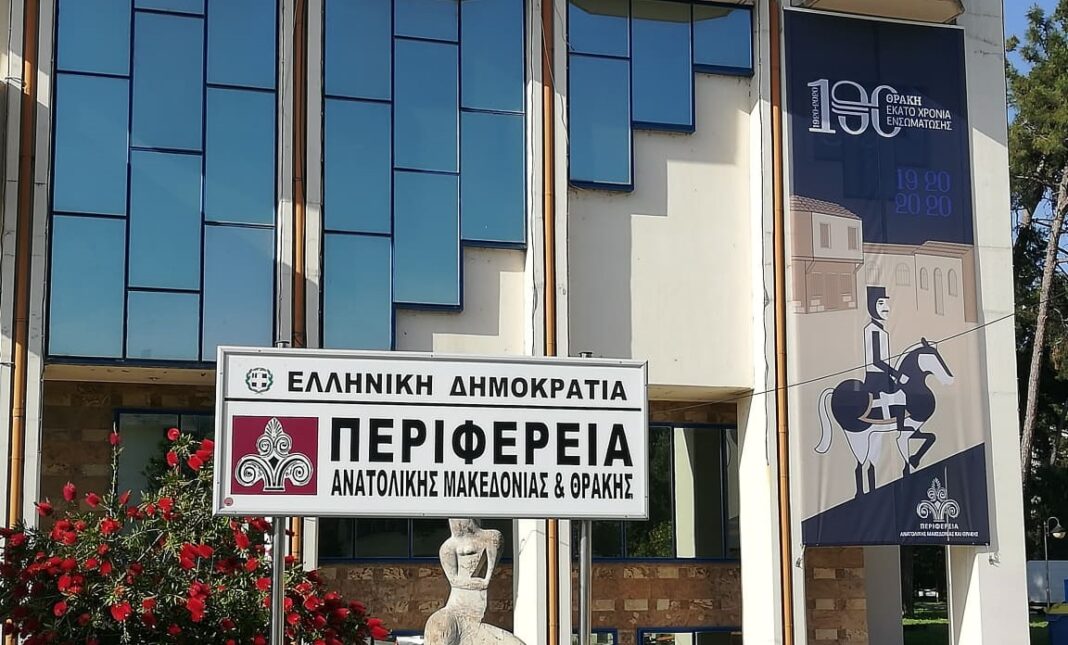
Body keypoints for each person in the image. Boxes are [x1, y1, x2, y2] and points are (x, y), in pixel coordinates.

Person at [424, 519, 525, 645]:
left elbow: (495, 544)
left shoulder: (490, 537)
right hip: (457, 612)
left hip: (472, 617)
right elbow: (453, 580)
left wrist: (485, 579)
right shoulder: (448, 547)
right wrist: (478, 583)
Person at [862, 285, 906, 425]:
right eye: (880, 303)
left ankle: (899, 425)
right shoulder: (874, 331)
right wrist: (896, 374)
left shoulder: (880, 330)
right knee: (902, 394)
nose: (886, 307)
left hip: (883, 375)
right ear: (871, 307)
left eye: (886, 303)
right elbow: (876, 361)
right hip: (876, 377)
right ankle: (899, 426)